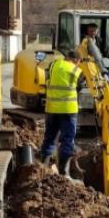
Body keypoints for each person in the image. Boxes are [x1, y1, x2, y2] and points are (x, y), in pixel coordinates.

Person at [40, 50, 83, 179]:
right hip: (68, 110)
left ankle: (44, 168)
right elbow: (79, 87)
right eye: (79, 62)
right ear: (76, 60)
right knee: (67, 140)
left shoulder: (54, 65)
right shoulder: (76, 71)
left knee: (49, 138)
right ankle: (63, 172)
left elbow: (47, 79)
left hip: (52, 108)